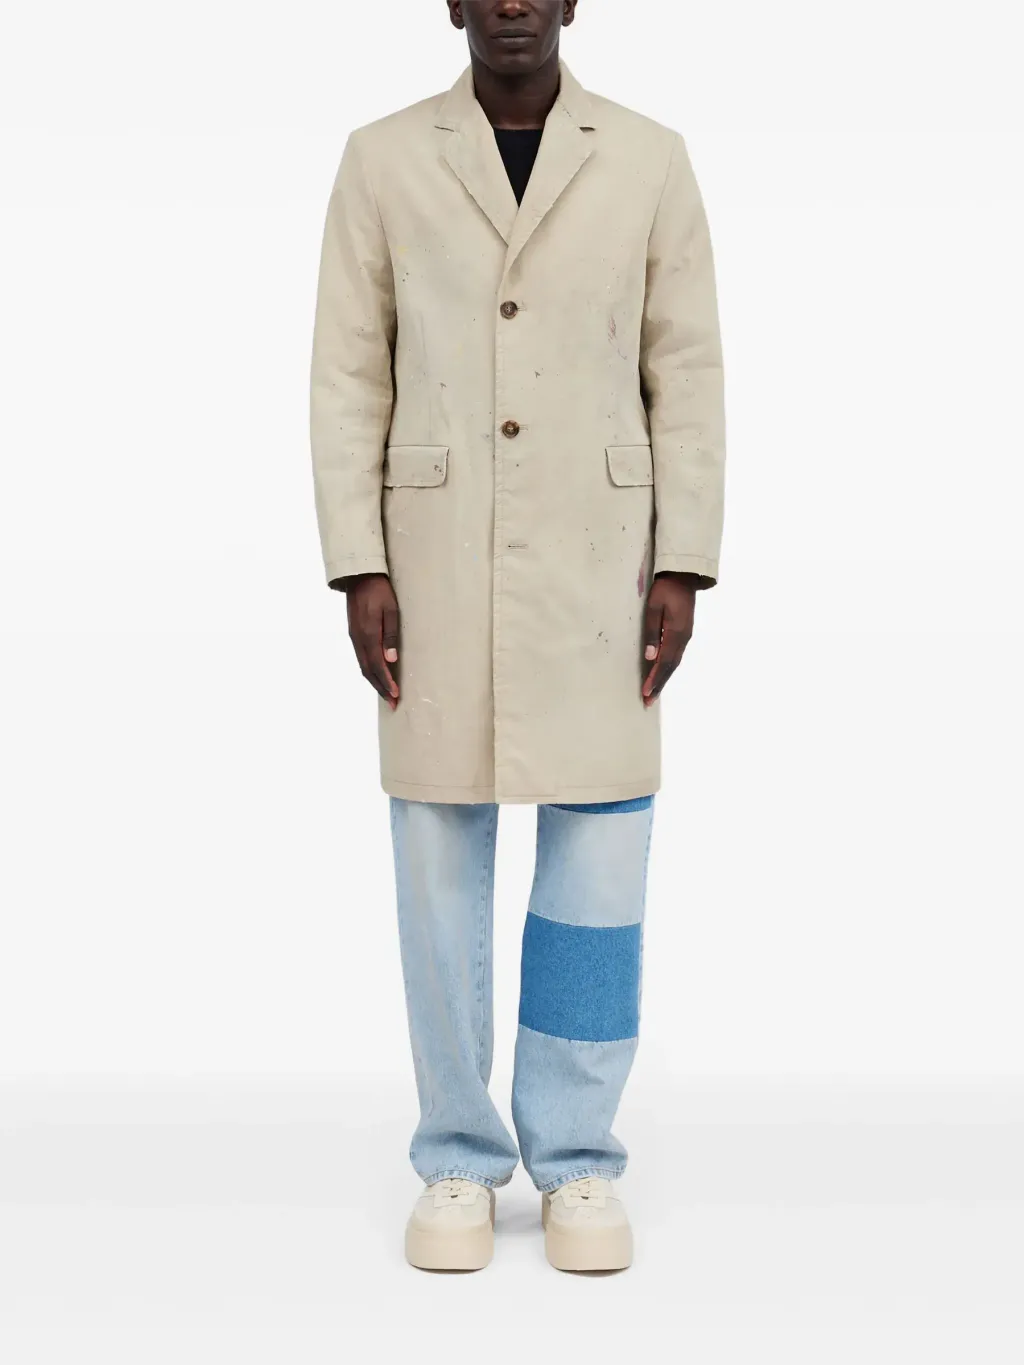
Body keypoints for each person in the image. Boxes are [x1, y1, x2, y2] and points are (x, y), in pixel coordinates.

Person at [310, 0, 725, 1273]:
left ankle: (578, 1157)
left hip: (604, 561)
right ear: (450, 2)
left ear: (569, 1)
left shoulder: (648, 157)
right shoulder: (382, 158)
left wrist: (684, 557)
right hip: (432, 559)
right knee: (436, 856)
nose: (509, 4)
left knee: (599, 856)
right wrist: (359, 561)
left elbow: (686, 367)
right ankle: (455, 1154)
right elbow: (349, 372)